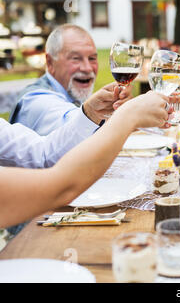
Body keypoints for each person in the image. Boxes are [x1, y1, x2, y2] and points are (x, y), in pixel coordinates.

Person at [0, 91, 171, 229]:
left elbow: (42, 155)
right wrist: (128, 116)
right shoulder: (37, 96)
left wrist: (90, 114)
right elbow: (60, 187)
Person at [9, 23, 131, 135]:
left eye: (92, 58)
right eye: (76, 58)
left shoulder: (74, 95)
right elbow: (70, 126)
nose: (87, 68)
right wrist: (98, 111)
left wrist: (112, 109)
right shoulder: (34, 100)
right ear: (50, 62)